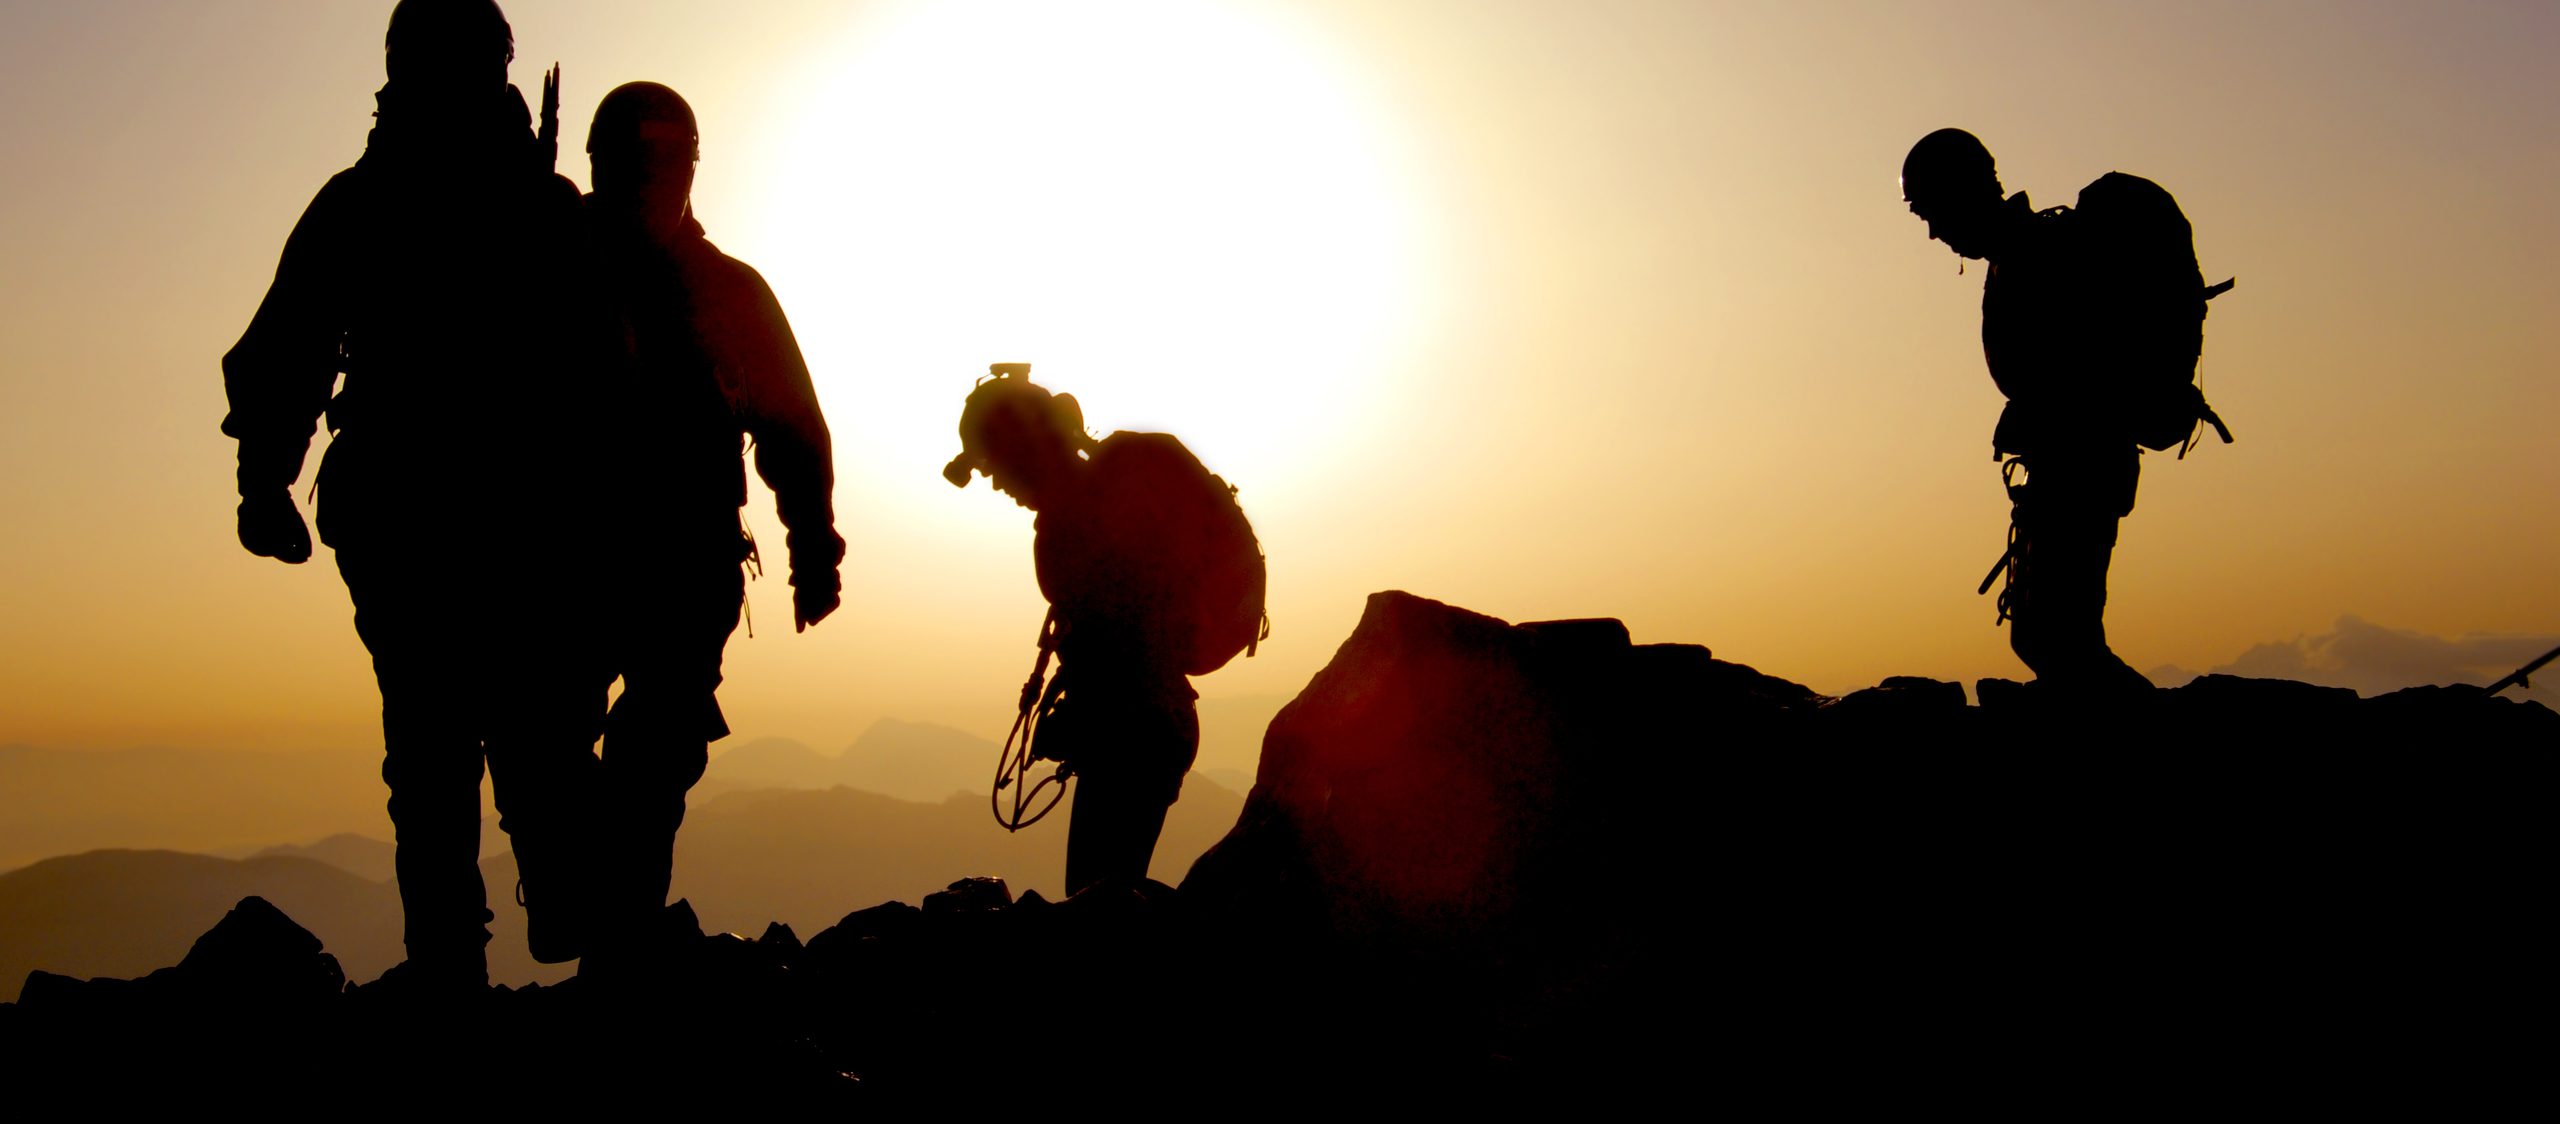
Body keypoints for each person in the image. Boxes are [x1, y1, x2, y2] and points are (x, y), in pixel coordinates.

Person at [220, 0, 605, 988]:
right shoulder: (545, 210)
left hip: (421, 515)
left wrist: (267, 479)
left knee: (436, 749)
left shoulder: (366, 200)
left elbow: (287, 349)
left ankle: (457, 964)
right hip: (521, 518)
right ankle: (550, 930)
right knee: (530, 735)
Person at [577, 82, 843, 963]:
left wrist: (813, 548)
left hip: (657, 567)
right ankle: (606, 935)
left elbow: (791, 428)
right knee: (607, 766)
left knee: (647, 760)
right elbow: (794, 430)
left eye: (658, 164)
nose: (647, 183)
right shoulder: (550, 267)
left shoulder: (712, 289)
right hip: (579, 562)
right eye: (635, 165)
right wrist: (811, 549)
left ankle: (614, 948)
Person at [1901, 127, 2200, 696]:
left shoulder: (2044, 254)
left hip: (2081, 466)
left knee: (2058, 640)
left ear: (1971, 188)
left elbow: (2081, 372)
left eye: (1933, 210)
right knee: (2049, 639)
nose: (1935, 231)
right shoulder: (2019, 255)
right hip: (2066, 467)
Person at [945, 369, 1262, 894]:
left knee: (1101, 908)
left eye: (997, 467)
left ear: (1024, 451)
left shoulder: (1080, 524)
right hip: (1154, 730)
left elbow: (1122, 647)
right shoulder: (1102, 500)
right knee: (1108, 898)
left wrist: (1073, 720)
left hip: (1134, 739)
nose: (998, 485)